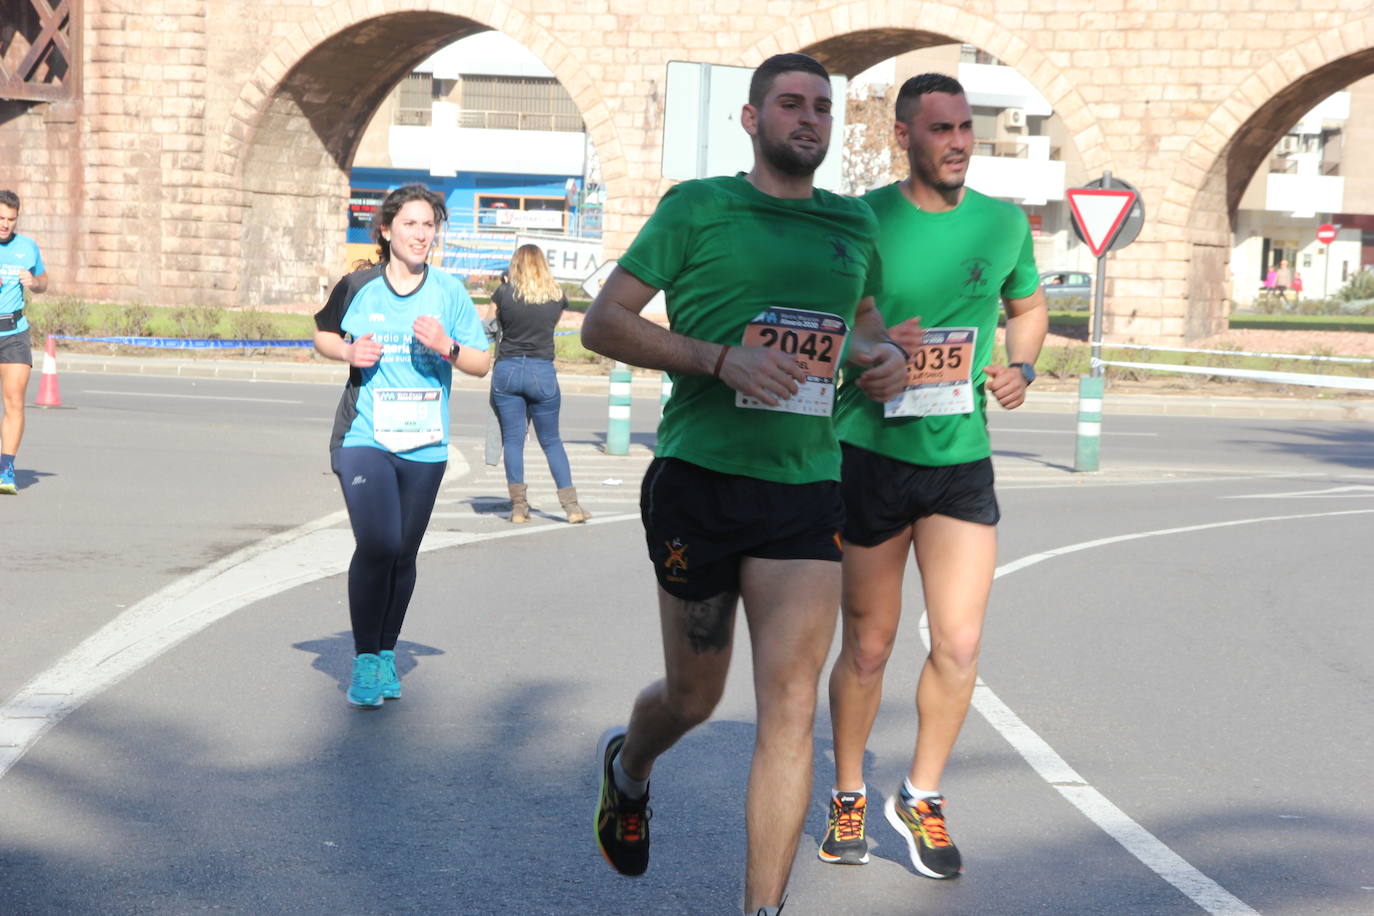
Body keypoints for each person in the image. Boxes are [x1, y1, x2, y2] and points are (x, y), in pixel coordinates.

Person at [581, 53, 909, 916]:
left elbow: (864, 325)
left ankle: (761, 909)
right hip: (700, 481)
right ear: (752, 119)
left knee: (791, 704)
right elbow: (603, 322)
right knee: (694, 695)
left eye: (822, 109)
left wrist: (883, 362)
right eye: (791, 105)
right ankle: (631, 765)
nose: (809, 119)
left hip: (805, 487)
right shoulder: (700, 207)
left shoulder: (850, 226)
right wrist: (720, 357)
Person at [817, 73, 1047, 879]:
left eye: (966, 130)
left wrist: (1021, 366)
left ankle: (920, 796)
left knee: (959, 640)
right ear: (904, 135)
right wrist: (869, 357)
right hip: (872, 455)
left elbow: (1029, 309)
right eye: (941, 128)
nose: (957, 142)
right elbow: (843, 319)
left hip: (959, 460)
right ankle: (848, 792)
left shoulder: (1003, 223)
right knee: (871, 647)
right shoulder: (862, 219)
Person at [313, 183, 490, 708]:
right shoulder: (360, 285)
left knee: (404, 555)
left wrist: (447, 347)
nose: (420, 234)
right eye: (410, 224)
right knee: (379, 545)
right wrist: (349, 350)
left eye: (429, 224)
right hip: (365, 438)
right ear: (387, 230)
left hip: (425, 447)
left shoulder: (449, 293)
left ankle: (387, 652)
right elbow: (322, 334)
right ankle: (365, 660)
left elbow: (482, 362)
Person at [489, 245, 588, 524]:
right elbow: (550, 324)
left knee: (513, 440)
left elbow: (491, 323)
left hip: (507, 369)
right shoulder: (556, 296)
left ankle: (519, 507)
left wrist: (506, 291)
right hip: (541, 370)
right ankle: (572, 508)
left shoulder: (504, 293)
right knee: (552, 441)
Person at [0, 190, 48, 495]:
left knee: (15, 399)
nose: (5, 225)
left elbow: (44, 281)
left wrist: (34, 283)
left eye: (10, 220)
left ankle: (6, 469)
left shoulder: (27, 247)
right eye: (1, 218)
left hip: (14, 331)